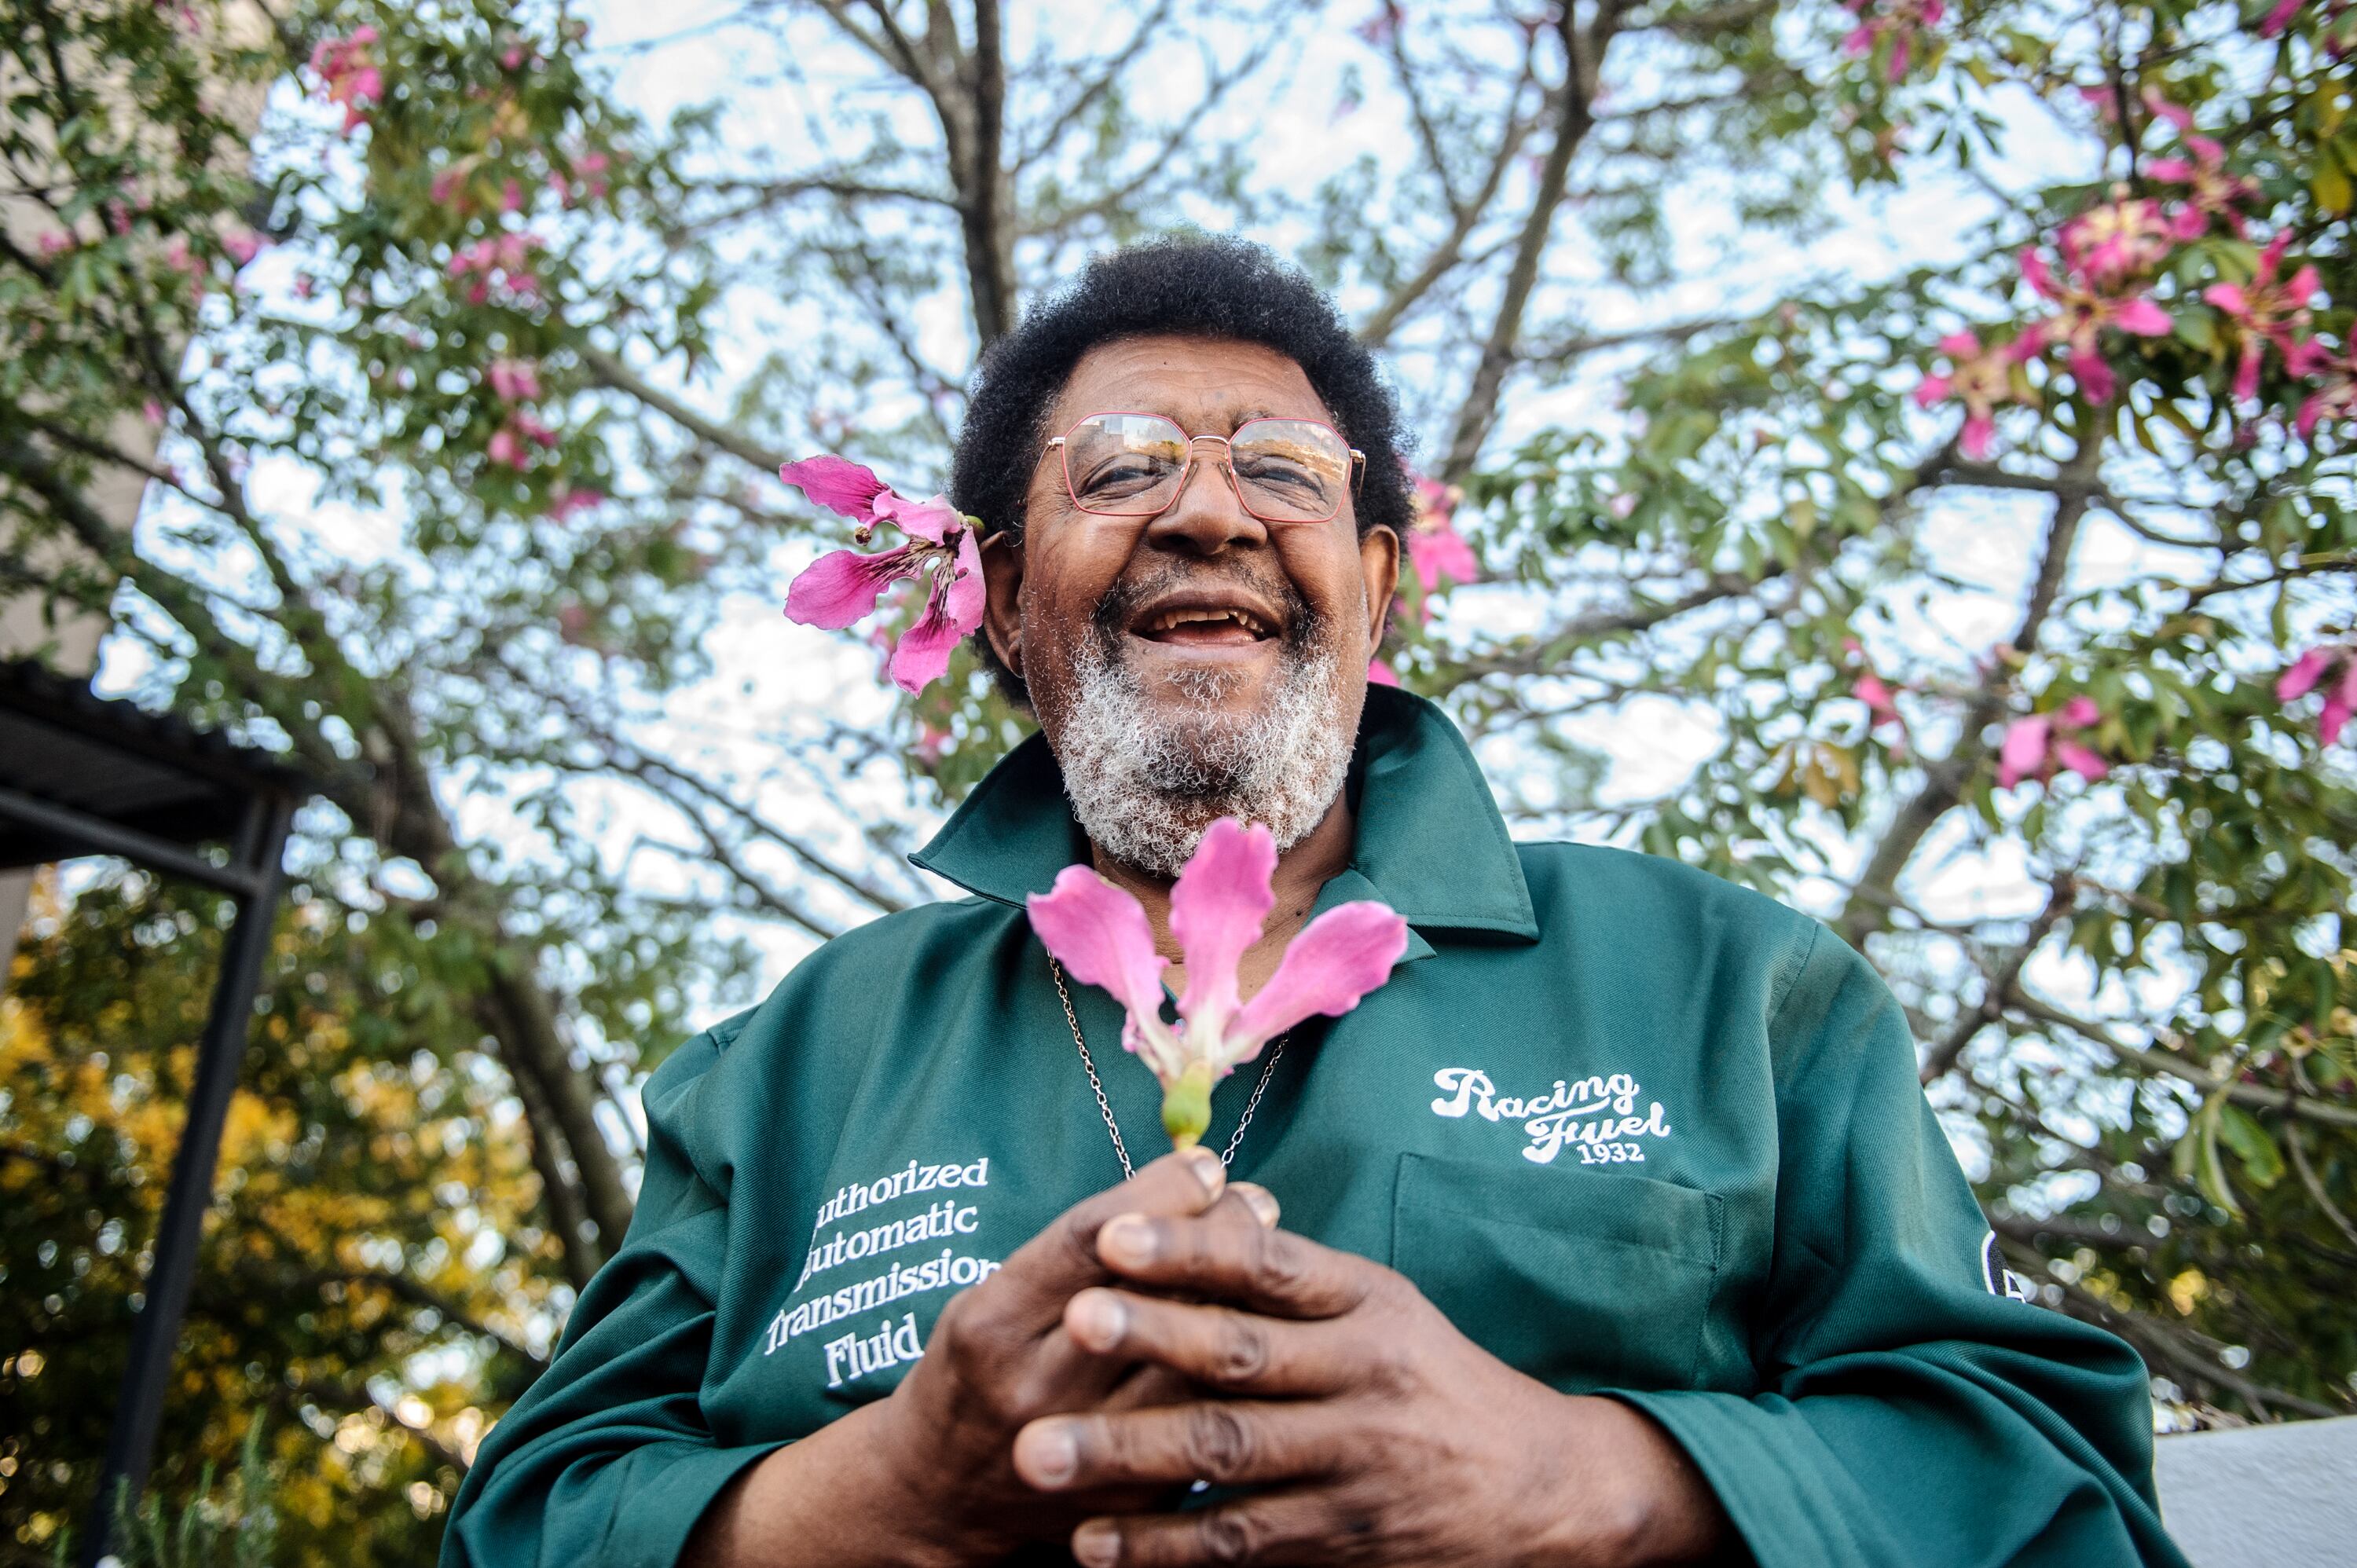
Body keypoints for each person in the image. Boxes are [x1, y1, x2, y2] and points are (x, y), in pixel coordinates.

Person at [442, 238, 2187, 1568]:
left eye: (1284, 470)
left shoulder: (1736, 987)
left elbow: (2055, 1478)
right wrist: (876, 1489)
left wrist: (1591, 1476)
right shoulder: (789, 1063)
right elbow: (529, 1511)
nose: (1207, 506)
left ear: (1382, 585)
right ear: (988, 598)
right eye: (1117, 467)